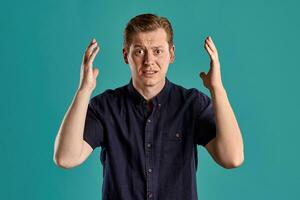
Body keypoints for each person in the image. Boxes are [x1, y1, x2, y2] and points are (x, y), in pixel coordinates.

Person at [53, 13, 244, 200]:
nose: (148, 61)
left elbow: (232, 158)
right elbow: (65, 158)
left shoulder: (191, 104)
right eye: (139, 51)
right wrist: (84, 90)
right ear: (125, 55)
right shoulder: (105, 106)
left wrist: (217, 89)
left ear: (171, 54)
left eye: (157, 51)